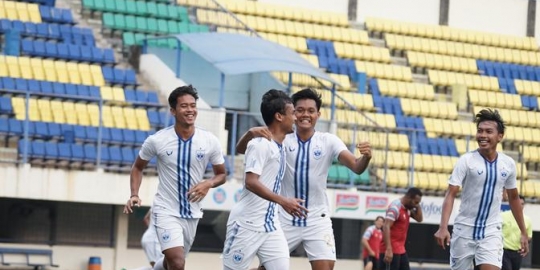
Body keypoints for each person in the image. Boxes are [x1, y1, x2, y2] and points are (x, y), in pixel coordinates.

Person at [235, 88, 372, 270]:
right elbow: (241, 149)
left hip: (317, 217)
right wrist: (251, 133)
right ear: (292, 113)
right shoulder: (281, 138)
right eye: (299, 110)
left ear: (318, 114)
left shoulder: (328, 140)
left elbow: (356, 166)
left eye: (311, 111)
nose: (305, 115)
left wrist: (367, 157)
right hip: (284, 216)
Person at [123, 85, 227, 270]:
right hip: (165, 210)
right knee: (178, 263)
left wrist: (208, 183)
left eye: (193, 105)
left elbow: (221, 174)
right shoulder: (157, 140)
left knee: (171, 264)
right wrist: (134, 194)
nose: (190, 110)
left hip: (192, 213)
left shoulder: (209, 140)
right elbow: (138, 167)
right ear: (173, 110)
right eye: (184, 106)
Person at [433, 108, 529, 270]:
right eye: (480, 131)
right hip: (464, 231)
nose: (482, 135)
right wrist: (443, 227)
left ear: (500, 136)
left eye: (488, 131)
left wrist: (523, 232)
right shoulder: (466, 160)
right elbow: (451, 194)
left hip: (491, 231)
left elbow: (513, 198)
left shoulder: (508, 164)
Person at [222, 89, 308, 270]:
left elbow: (240, 149)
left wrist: (250, 133)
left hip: (270, 225)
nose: (296, 118)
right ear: (279, 116)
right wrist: (284, 201)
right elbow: (251, 182)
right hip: (246, 224)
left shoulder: (280, 144)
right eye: (293, 113)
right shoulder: (261, 144)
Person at [380, 187, 423, 270]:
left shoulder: (407, 208)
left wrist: (418, 205)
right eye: (416, 202)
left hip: (401, 249)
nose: (416, 205)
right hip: (391, 250)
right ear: (409, 197)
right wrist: (388, 249)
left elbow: (419, 219)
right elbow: (386, 226)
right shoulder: (395, 207)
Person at [501, 195, 532, 270]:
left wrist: (525, 240)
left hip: (517, 252)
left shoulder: (527, 220)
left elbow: (529, 237)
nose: (520, 206)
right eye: (518, 203)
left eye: (522, 204)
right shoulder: (503, 216)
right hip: (504, 251)